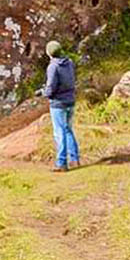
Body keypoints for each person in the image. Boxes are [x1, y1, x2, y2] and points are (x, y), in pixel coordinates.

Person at [35, 40, 80, 172]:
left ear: (49, 53)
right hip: (70, 100)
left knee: (59, 132)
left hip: (58, 103)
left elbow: (51, 87)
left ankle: (61, 163)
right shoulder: (69, 62)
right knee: (68, 130)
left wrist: (43, 93)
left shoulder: (53, 66)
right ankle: (74, 159)